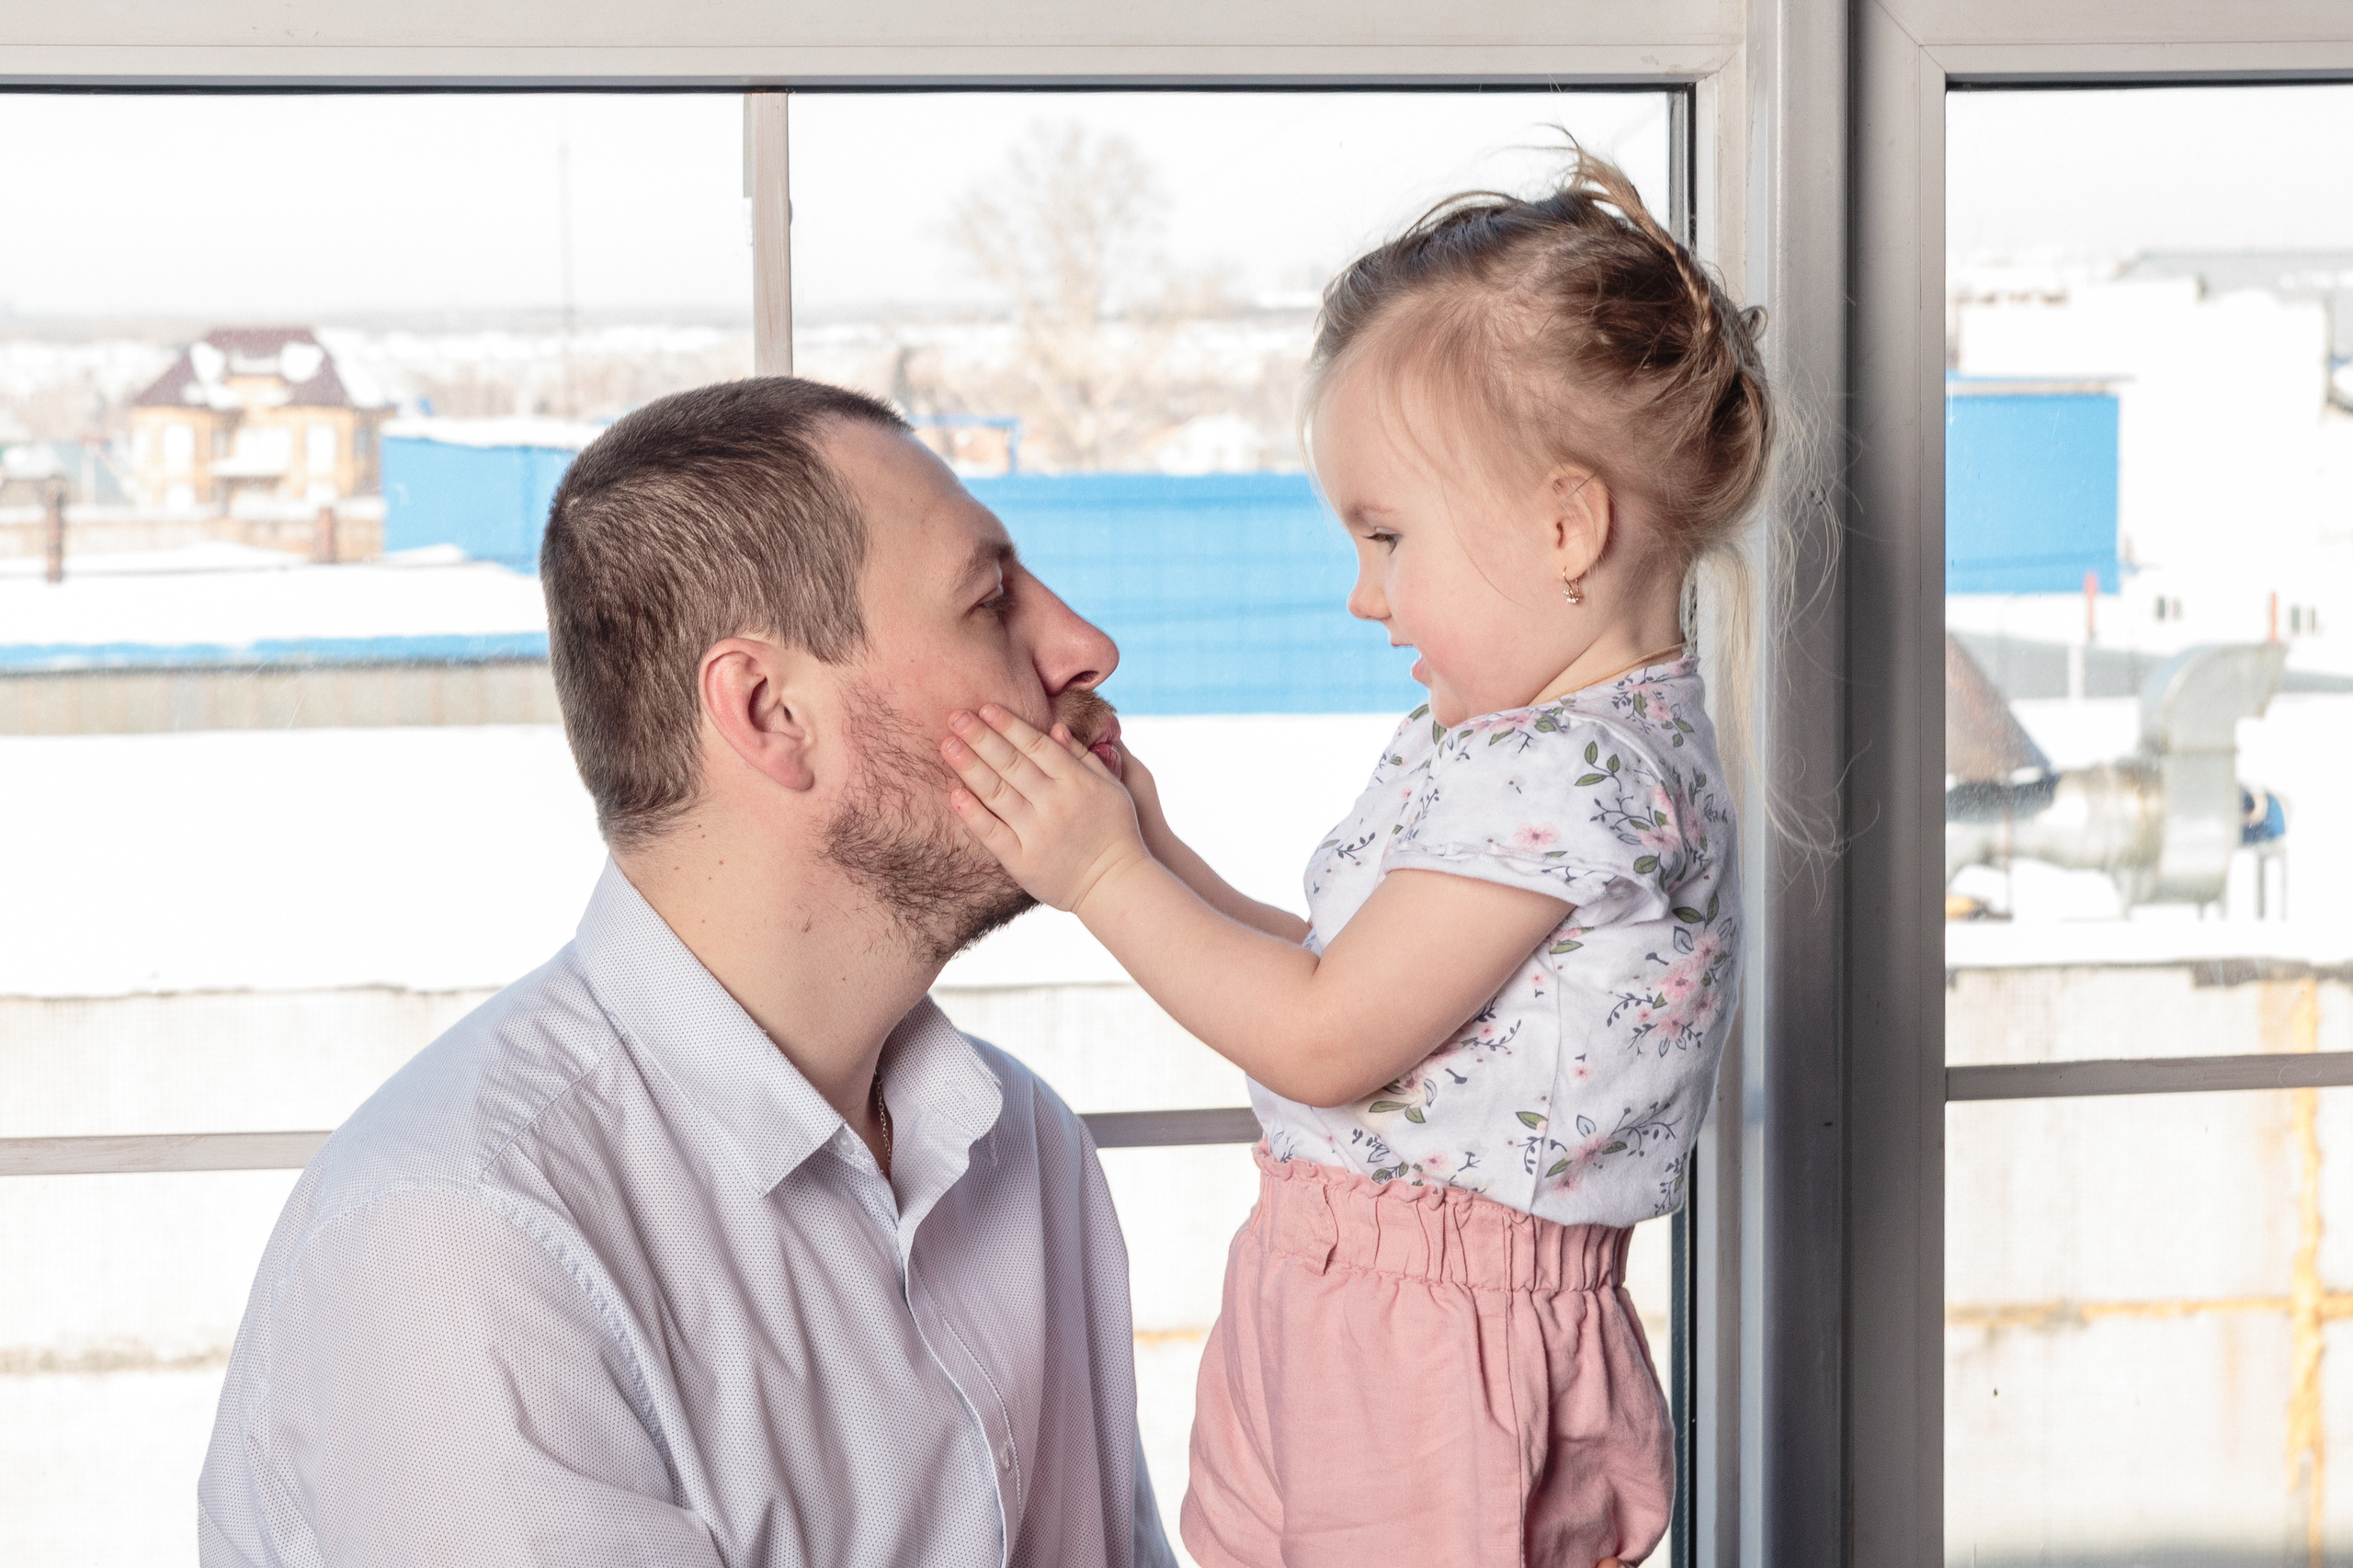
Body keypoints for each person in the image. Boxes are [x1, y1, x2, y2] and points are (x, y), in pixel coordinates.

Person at [936, 151, 1769, 1568]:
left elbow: (1325, 1041)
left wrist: (1100, 877)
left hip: (1442, 1349)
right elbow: (1341, 977)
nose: (1364, 594)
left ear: (1568, 526)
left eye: (1388, 537)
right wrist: (1148, 842)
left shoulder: (1581, 777)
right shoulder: (1509, 743)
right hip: (1347, 1296)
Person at [197, 378, 1176, 1568]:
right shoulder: (467, 1245)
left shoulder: (1025, 1146)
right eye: (989, 602)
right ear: (771, 714)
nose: (1084, 645)